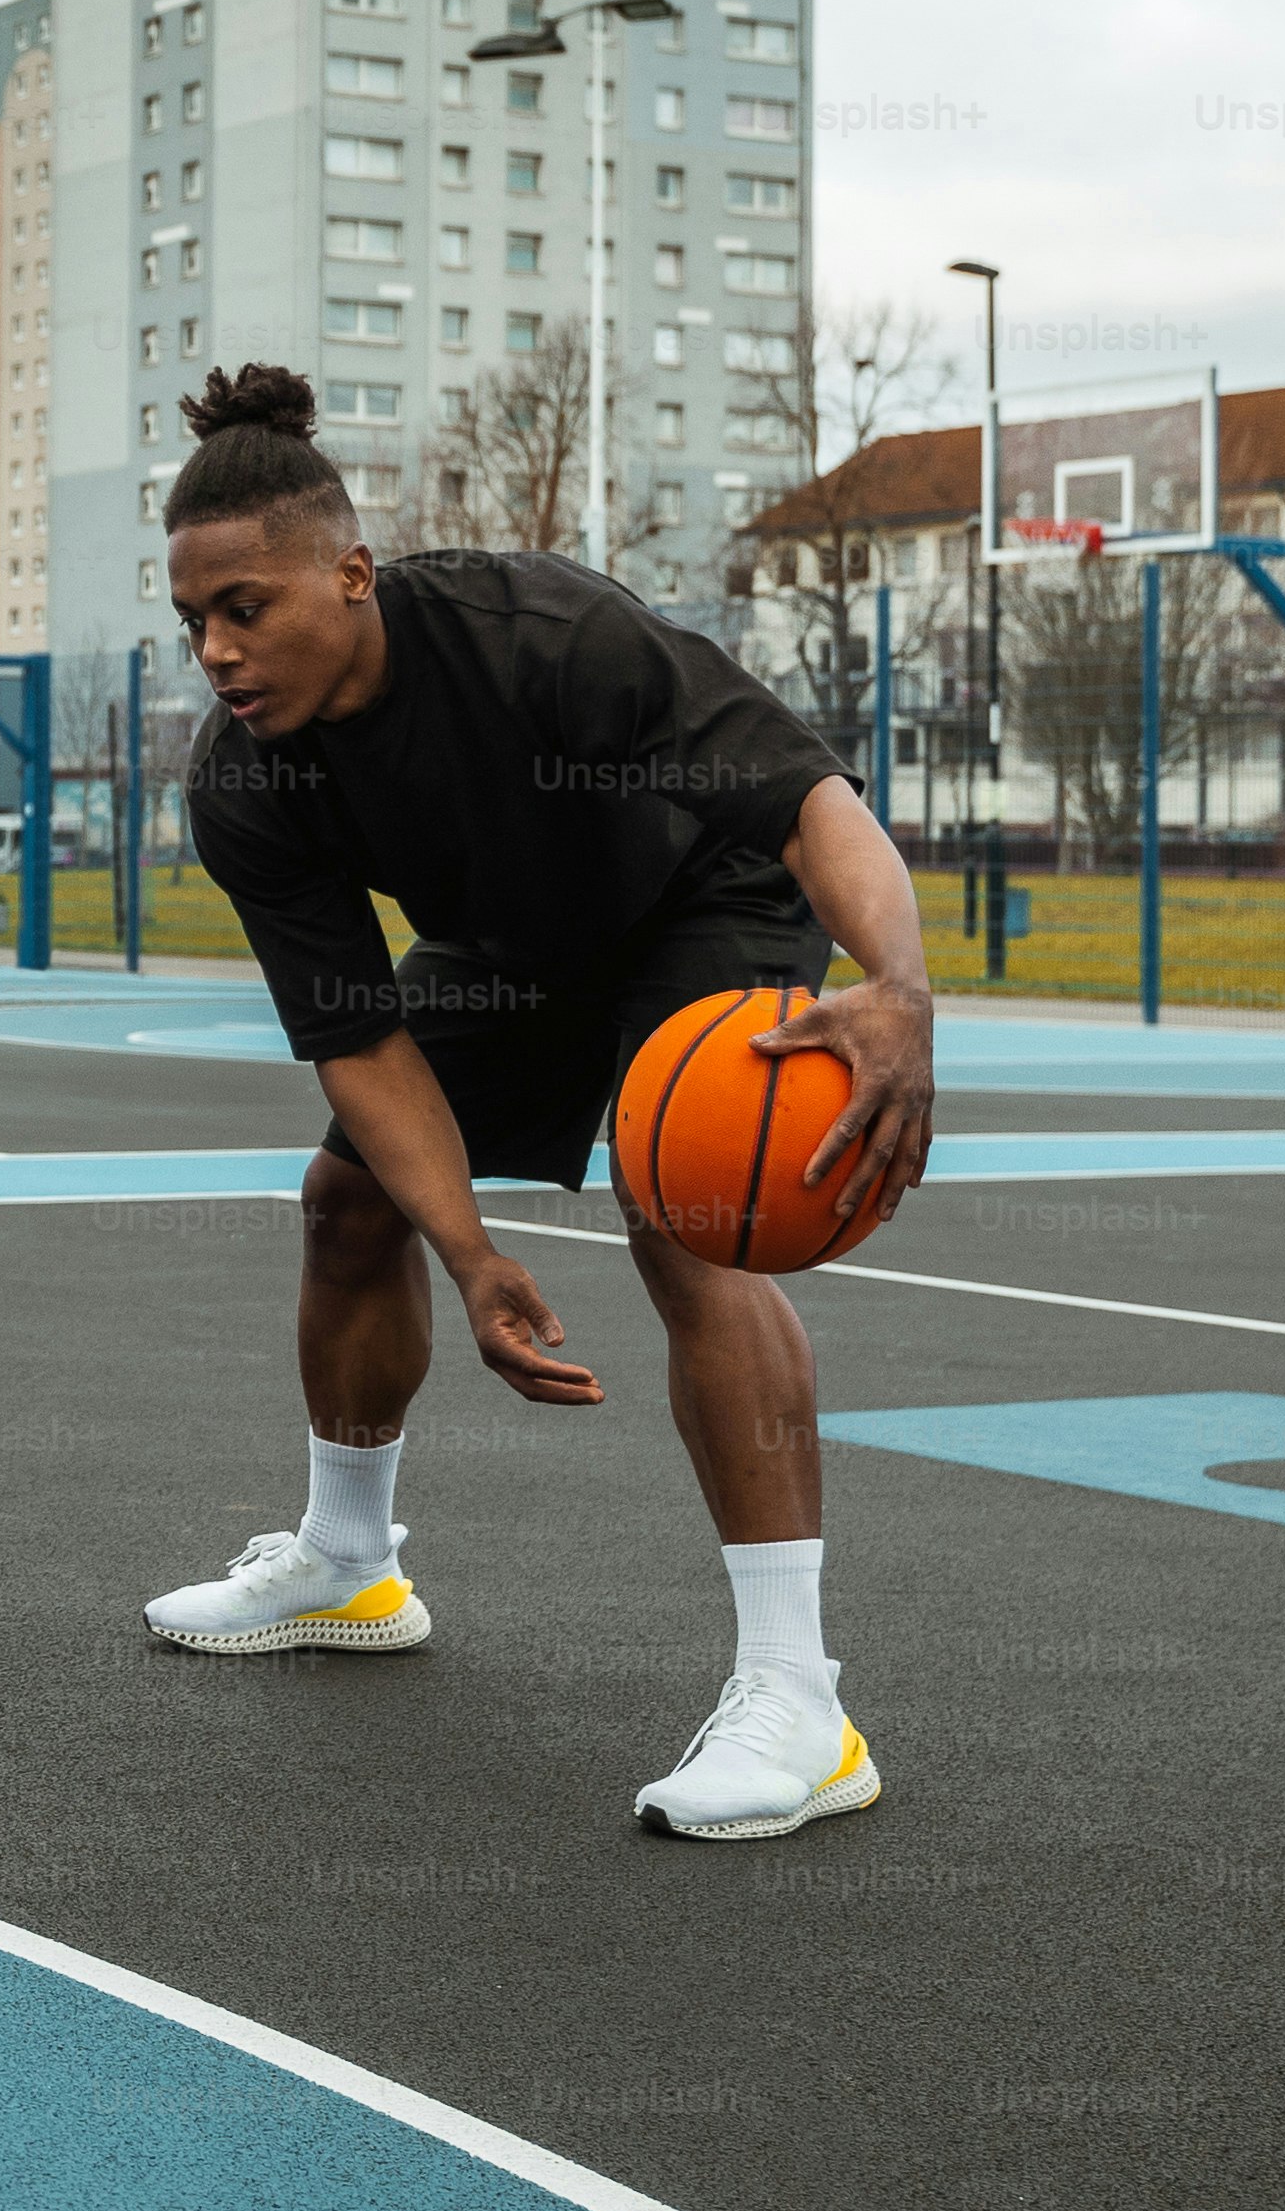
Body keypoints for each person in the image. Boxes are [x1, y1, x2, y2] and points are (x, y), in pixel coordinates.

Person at [137, 364, 937, 1841]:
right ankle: (348, 1559)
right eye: (192, 620)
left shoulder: (541, 634)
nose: (216, 649)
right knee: (345, 1199)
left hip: (702, 894)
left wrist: (897, 983)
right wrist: (472, 1252)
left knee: (683, 1205)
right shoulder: (248, 779)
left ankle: (797, 1699)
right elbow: (360, 1041)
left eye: (244, 606)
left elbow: (809, 796)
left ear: (351, 574)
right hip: (514, 953)